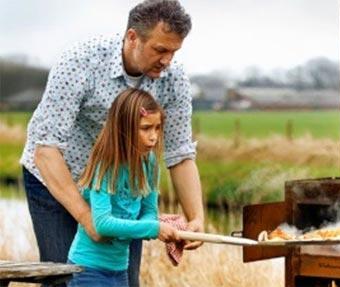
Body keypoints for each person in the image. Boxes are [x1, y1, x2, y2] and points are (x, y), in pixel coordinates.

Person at [20, 1, 204, 286]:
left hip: (122, 188)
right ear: (132, 37)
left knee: (123, 280)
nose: (168, 60)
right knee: (63, 278)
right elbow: (45, 149)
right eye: (160, 50)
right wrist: (87, 217)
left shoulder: (174, 78)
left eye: (174, 51)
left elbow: (180, 153)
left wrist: (196, 218)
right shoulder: (80, 62)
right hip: (58, 176)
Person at [67, 88, 180, 287]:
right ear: (123, 128)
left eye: (157, 128)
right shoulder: (105, 164)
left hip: (120, 269)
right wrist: (153, 229)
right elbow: (102, 223)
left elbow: (148, 211)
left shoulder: (150, 162)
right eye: (145, 128)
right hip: (88, 270)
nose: (153, 137)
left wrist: (153, 226)